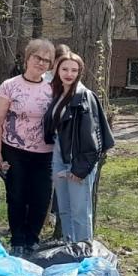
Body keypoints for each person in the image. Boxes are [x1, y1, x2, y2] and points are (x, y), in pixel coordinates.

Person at [0, 38, 56, 253]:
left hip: (45, 153)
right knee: (17, 196)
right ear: (28, 58)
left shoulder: (54, 88)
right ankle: (18, 240)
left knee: (41, 197)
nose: (41, 63)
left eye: (47, 60)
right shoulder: (10, 86)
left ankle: (32, 238)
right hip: (14, 150)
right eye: (38, 58)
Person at [43, 52, 114, 242]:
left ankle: (83, 254)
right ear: (57, 70)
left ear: (80, 72)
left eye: (74, 70)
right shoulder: (58, 94)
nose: (69, 74)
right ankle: (69, 250)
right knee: (64, 210)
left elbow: (93, 137)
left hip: (77, 160)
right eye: (65, 69)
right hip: (59, 156)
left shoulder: (84, 97)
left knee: (80, 212)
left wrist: (80, 168)